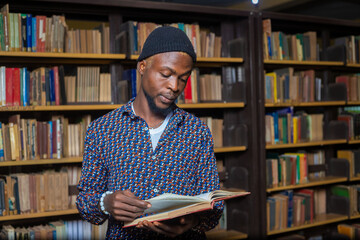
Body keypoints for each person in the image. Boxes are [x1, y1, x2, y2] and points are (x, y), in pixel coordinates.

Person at [76, 26, 223, 239]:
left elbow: (214, 206)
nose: (174, 86)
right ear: (143, 66)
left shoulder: (197, 132)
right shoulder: (102, 129)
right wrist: (105, 202)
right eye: (166, 74)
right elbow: (85, 202)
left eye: (183, 78)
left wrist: (193, 221)